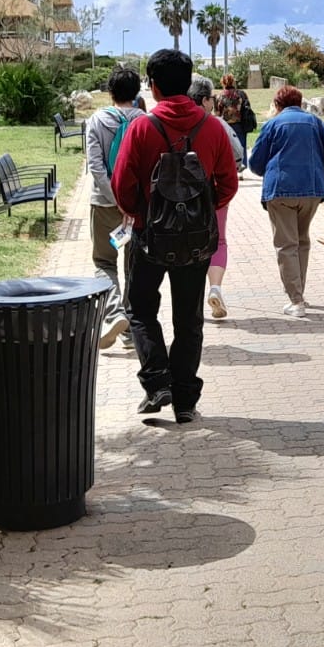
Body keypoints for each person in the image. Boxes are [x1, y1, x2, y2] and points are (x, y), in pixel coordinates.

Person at [110, 50, 238, 422]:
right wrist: (202, 210)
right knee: (189, 319)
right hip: (195, 241)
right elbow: (228, 184)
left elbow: (122, 184)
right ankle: (185, 400)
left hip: (150, 237)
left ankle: (156, 381)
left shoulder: (142, 127)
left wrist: (141, 213)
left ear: (153, 86)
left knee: (139, 309)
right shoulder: (212, 128)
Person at [247, 84, 324, 318]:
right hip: (311, 188)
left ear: (277, 104)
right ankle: (300, 294)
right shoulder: (315, 122)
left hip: (281, 189)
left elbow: (255, 163)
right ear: (300, 102)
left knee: (286, 244)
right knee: (301, 241)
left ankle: (296, 299)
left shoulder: (272, 124)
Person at [83, 64, 142, 351]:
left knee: (104, 263)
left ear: (109, 93)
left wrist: (114, 197)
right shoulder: (146, 121)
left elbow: (95, 166)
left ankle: (114, 312)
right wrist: (130, 201)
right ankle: (131, 329)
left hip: (104, 204)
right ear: (137, 92)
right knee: (133, 266)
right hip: (137, 209)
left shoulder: (95, 121)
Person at [199, 80, 248, 320]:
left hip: (178, 198)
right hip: (214, 192)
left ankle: (194, 296)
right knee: (218, 240)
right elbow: (238, 153)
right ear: (205, 101)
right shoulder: (216, 124)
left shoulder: (170, 123)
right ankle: (215, 287)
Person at [216, 72, 256, 170]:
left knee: (228, 147)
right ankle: (242, 167)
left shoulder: (220, 96)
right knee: (242, 146)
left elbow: (217, 112)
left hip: (226, 125)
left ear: (223, 83)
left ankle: (231, 167)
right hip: (240, 124)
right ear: (233, 81)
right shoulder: (241, 94)